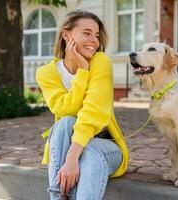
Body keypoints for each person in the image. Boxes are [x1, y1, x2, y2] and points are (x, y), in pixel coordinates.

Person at [35, 10, 129, 200]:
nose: (94, 40)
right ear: (66, 35)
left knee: (90, 152)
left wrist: (71, 159)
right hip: (67, 142)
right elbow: (65, 109)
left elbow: (95, 111)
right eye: (86, 33)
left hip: (106, 145)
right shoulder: (46, 73)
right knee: (65, 123)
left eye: (96, 35)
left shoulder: (101, 61)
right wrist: (83, 73)